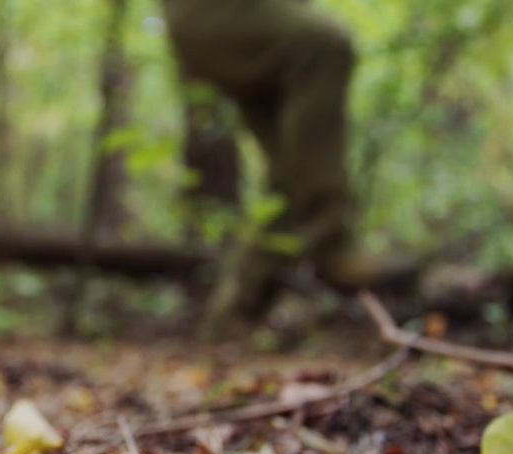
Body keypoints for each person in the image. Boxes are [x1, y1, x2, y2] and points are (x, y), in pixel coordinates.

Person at [163, 0, 400, 314]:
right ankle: (330, 244)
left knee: (291, 169)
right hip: (214, 12)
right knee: (324, 45)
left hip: (220, 19)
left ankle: (237, 305)